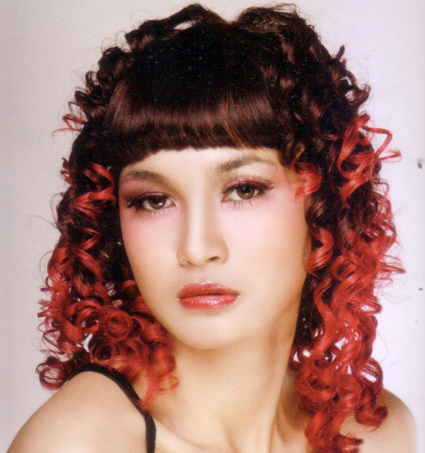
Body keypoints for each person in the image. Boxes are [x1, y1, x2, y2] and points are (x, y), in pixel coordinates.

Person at [7, 4, 416, 453]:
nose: (197, 248)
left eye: (243, 190)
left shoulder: (376, 432)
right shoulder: (78, 441)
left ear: (325, 203)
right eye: (154, 200)